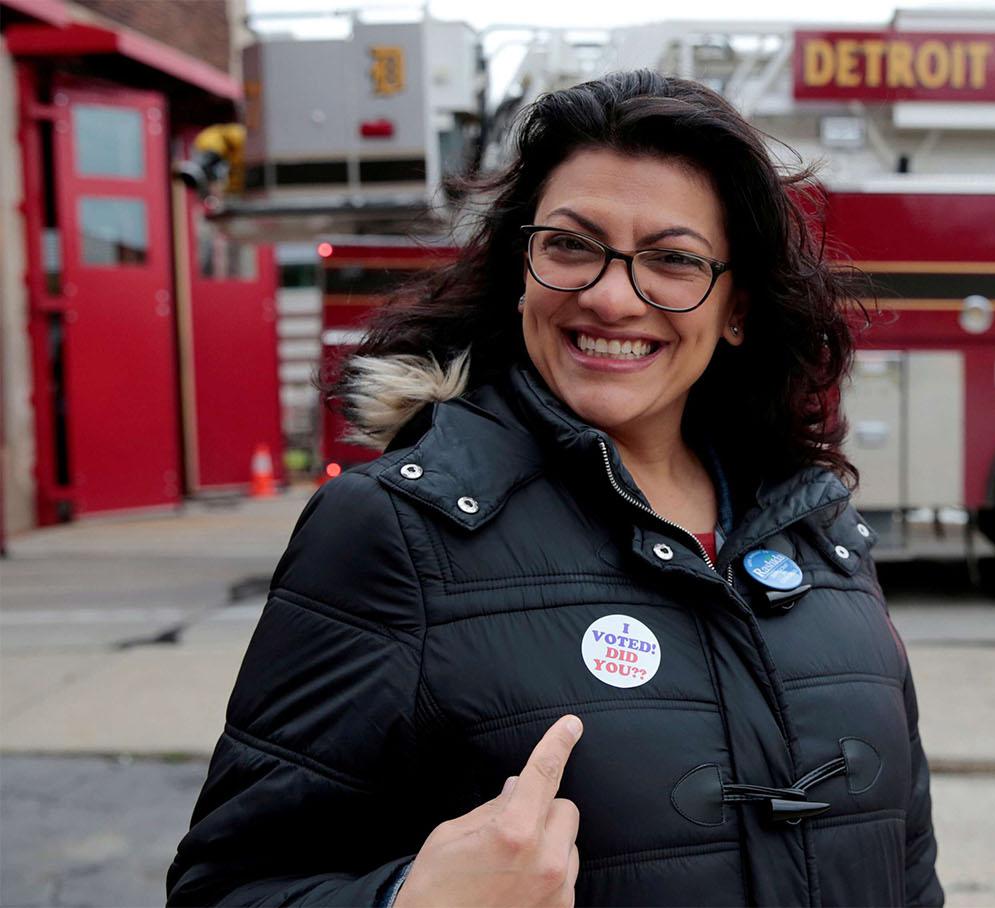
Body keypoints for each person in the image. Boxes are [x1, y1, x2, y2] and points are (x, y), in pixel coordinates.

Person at [167, 69, 944, 907]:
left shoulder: (819, 530)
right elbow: (226, 889)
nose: (612, 297)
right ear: (521, 269)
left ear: (737, 310)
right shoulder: (392, 533)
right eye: (571, 245)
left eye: (673, 260)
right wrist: (409, 903)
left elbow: (909, 872)